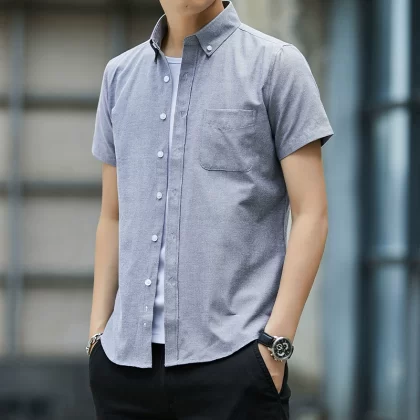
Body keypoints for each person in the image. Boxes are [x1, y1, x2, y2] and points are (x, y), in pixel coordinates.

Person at [87, 0, 334, 419]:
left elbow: (312, 213)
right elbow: (112, 214)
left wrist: (275, 345)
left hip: (236, 364)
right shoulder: (119, 76)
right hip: (124, 369)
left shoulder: (276, 65)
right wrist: (97, 335)